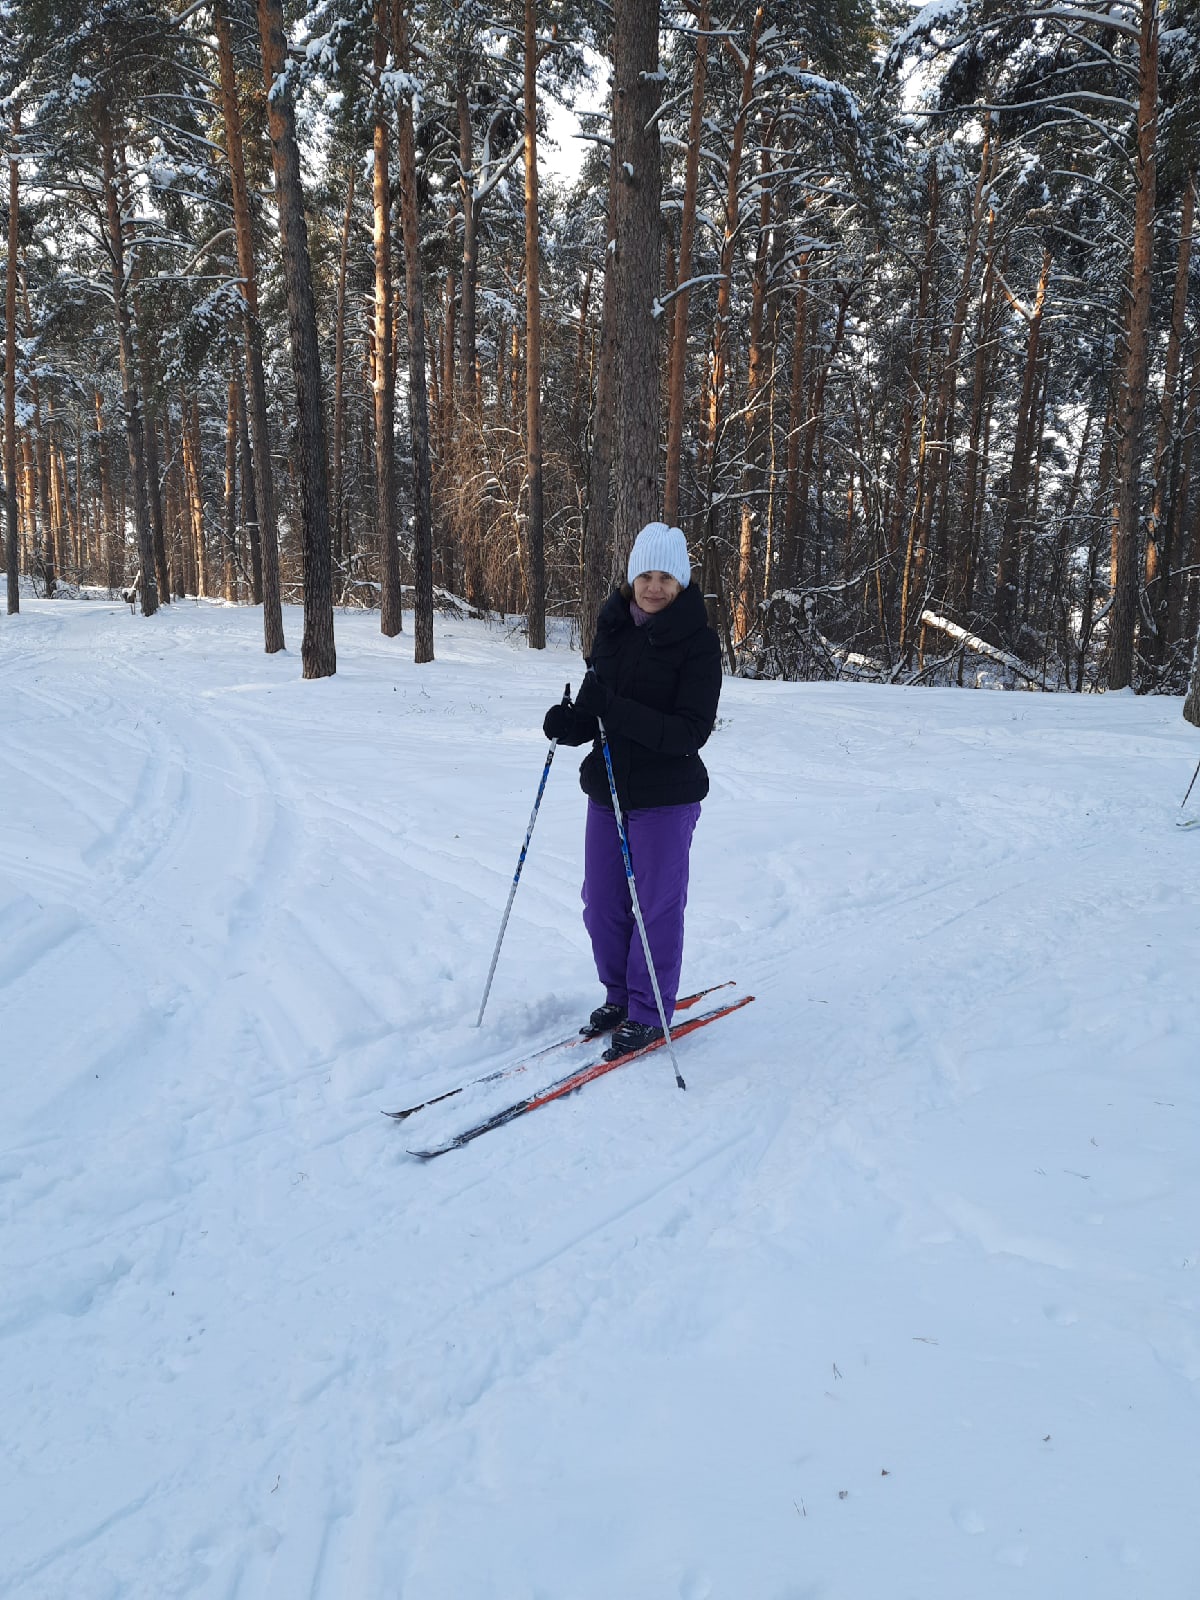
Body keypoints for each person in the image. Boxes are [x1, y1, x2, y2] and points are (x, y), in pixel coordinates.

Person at [543, 521, 722, 1059]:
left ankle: (648, 1010)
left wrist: (612, 710)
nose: (654, 586)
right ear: (631, 576)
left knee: (655, 909)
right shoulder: (613, 625)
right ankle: (619, 996)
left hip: (666, 797)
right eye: (645, 574)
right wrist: (570, 724)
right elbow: (598, 710)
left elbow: (690, 732)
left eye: (666, 576)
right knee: (601, 905)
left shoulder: (698, 640)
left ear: (682, 581)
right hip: (610, 788)